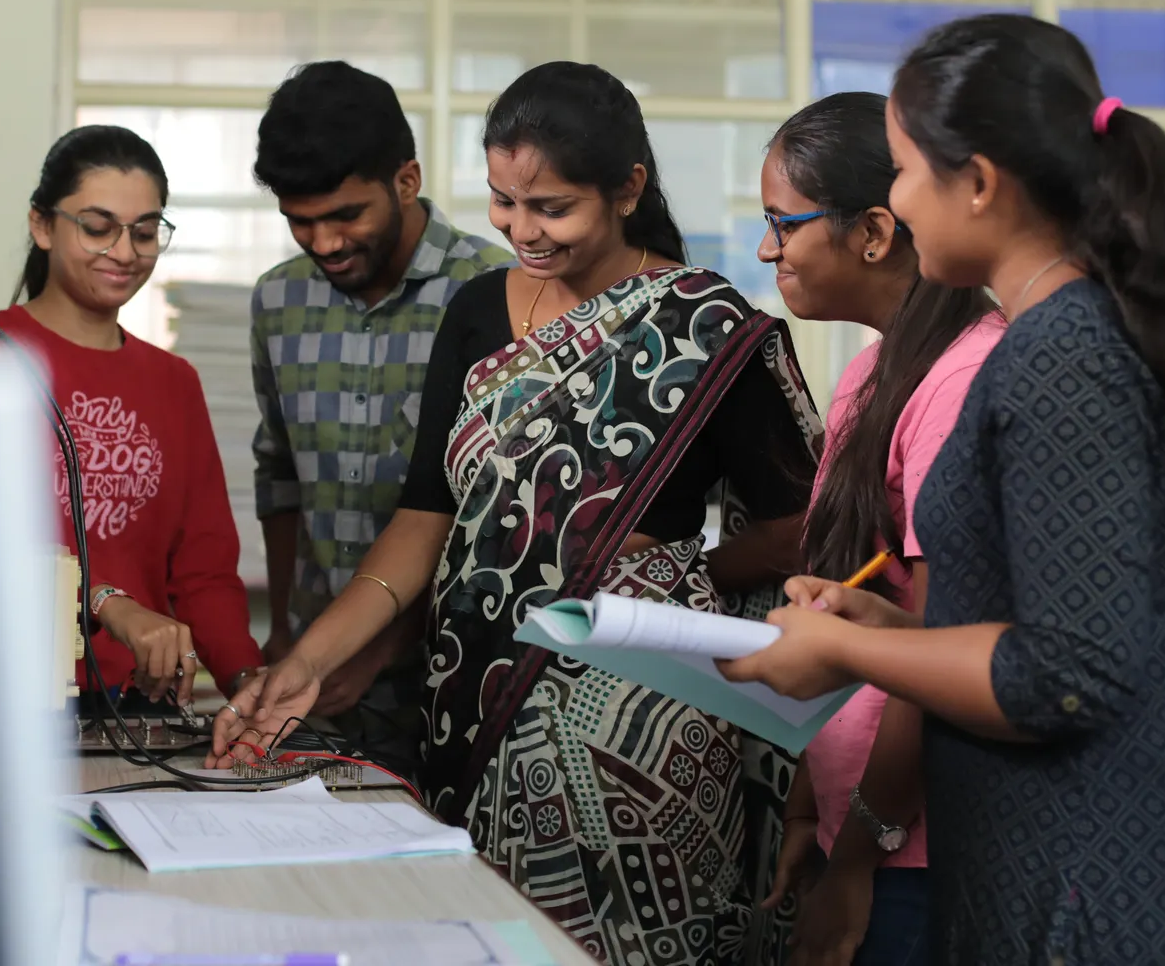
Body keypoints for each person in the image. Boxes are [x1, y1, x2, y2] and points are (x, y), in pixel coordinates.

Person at [216, 61, 823, 965]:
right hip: (472, 709)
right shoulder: (477, 310)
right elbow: (427, 516)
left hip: (640, 734)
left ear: (627, 190)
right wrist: (310, 659)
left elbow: (799, 527)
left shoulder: (705, 326)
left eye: (551, 207)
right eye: (504, 202)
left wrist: (662, 575)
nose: (521, 229)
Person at [721, 15, 1165, 964]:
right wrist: (882, 626)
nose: (896, 202)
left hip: (1101, 886)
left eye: (905, 172)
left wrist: (849, 650)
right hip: (1061, 866)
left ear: (977, 184)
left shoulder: (1064, 354)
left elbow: (1068, 675)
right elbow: (1041, 619)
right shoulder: (1054, 340)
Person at [755, 93, 1003, 966]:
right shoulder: (872, 372)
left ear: (872, 231)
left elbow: (934, 647)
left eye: (782, 224)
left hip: (913, 848)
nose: (767, 250)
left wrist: (858, 858)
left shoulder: (962, 379)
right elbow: (847, 598)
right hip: (854, 820)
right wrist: (807, 810)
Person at [249, 60, 511, 776]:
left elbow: (494, 517)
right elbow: (279, 473)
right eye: (300, 222)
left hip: (457, 676)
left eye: (345, 216)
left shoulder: (495, 293)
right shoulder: (277, 301)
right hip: (316, 686)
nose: (325, 243)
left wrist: (379, 648)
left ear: (406, 180)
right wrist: (289, 636)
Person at [0, 124, 262, 708]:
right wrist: (104, 601)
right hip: (6, 697)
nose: (124, 253)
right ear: (42, 225)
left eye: (144, 233)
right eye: (98, 228)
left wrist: (247, 680)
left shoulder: (174, 382)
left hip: (139, 705)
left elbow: (203, 570)